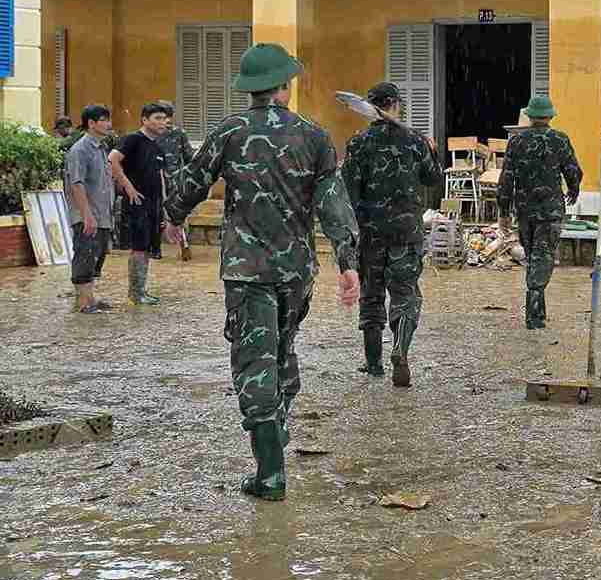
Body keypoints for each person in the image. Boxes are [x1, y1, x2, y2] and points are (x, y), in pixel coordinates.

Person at [165, 43, 359, 501]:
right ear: (285, 87)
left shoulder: (228, 131)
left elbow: (192, 183)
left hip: (247, 269)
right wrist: (348, 265)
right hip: (297, 270)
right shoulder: (313, 136)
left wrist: (173, 218)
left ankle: (270, 472)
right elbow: (334, 205)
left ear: (250, 89)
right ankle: (278, 427)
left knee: (255, 363)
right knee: (282, 348)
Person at [341, 82, 443, 386]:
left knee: (371, 297)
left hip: (370, 234)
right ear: (396, 105)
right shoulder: (415, 141)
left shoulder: (358, 143)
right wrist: (432, 152)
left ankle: (373, 364)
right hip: (406, 232)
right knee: (405, 294)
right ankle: (400, 348)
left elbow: (349, 190)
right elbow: (433, 179)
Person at [496, 94, 583, 330]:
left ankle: (536, 307)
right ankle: (535, 310)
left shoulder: (517, 142)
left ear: (530, 116)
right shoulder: (560, 139)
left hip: (525, 210)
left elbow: (506, 178)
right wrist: (573, 190)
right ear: (550, 116)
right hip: (551, 209)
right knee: (542, 256)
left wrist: (503, 210)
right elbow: (574, 171)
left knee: (533, 253)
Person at [109, 102, 169, 305]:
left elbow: (161, 177)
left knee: (147, 248)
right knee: (138, 248)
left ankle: (141, 291)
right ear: (144, 120)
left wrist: (164, 206)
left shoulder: (158, 146)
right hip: (136, 204)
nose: (164, 122)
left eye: (165, 118)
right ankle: (135, 294)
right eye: (158, 118)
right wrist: (128, 186)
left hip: (154, 205)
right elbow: (113, 159)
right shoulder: (133, 139)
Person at [64, 104, 115, 314]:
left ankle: (91, 297)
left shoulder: (101, 148)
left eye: (107, 119)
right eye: (103, 120)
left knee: (97, 254)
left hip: (102, 213)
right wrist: (86, 214)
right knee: (84, 254)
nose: (108, 124)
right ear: (91, 123)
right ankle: (83, 301)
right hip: (87, 214)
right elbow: (77, 183)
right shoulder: (80, 149)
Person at [154, 101, 196, 261]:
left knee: (157, 212)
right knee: (178, 213)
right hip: (175, 180)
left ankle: (156, 249)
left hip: (158, 179)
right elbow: (190, 158)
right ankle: (184, 245)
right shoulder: (180, 133)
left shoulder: (152, 133)